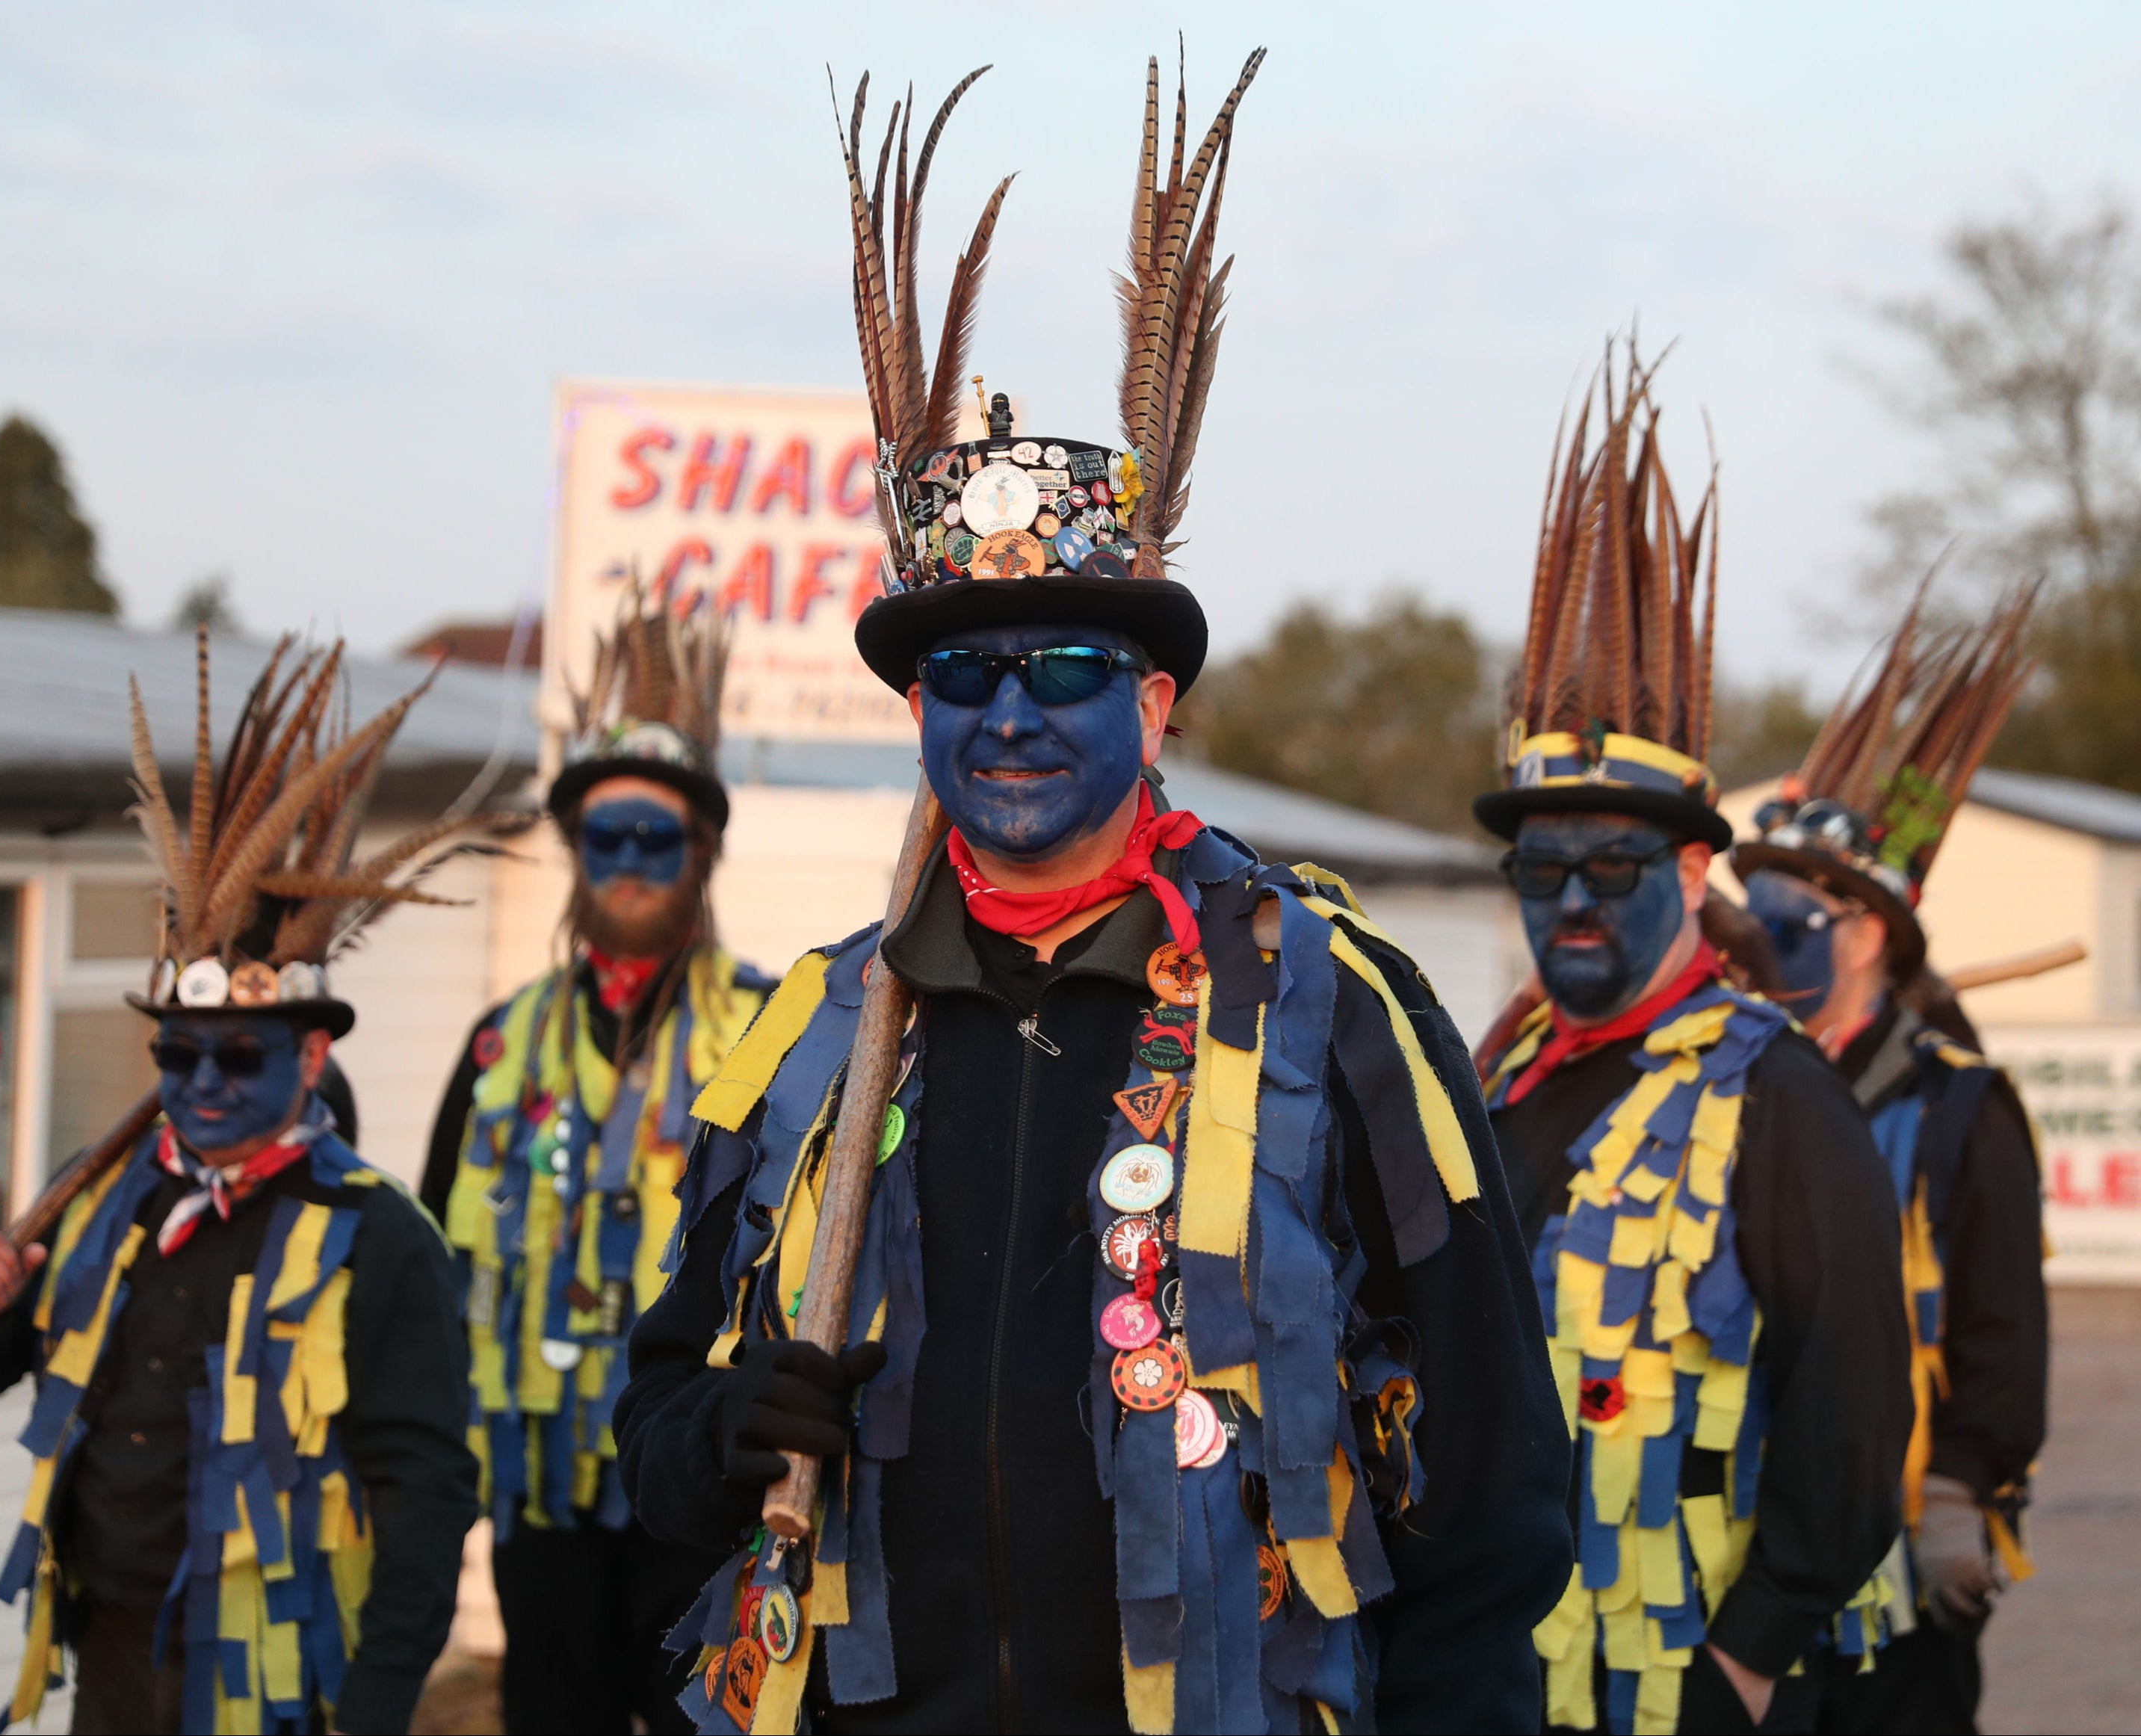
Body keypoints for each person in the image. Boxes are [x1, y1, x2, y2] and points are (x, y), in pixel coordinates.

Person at [614, 54, 1575, 1735]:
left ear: (1153, 704)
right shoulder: (814, 1034)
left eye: (1064, 666)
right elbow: (648, 1433)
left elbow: (1492, 1479)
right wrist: (727, 1429)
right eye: (962, 675)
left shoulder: (1333, 1001)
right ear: (917, 714)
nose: (1007, 714)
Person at [0, 634, 481, 1735]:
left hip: (283, 1685)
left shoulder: (380, 1236)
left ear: (310, 1059)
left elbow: (427, 1499)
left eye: (240, 1057)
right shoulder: (102, 1198)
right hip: (112, 1662)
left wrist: (374, 1711)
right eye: (178, 1056)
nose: (204, 1084)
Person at [1474, 355, 1914, 1736]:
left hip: (1700, 1685)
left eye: (1613, 867)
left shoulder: (1775, 1092)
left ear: (1687, 872)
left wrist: (1749, 1651)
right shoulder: (1491, 1075)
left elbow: (1852, 1398)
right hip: (1511, 1673)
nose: (1576, 901)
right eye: (1542, 873)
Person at [418, 584, 773, 1734]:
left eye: (654, 837)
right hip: (545, 1494)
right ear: (574, 853)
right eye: (602, 837)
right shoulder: (498, 1047)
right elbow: (437, 1254)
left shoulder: (776, 1034)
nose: (628, 861)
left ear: (703, 849)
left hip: (707, 1485)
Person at [1731, 578, 2048, 1735]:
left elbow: (2002, 1330)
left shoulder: (1961, 1108)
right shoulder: (1727, 1085)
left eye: (1785, 926)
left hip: (1903, 1562)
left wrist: (1962, 1490)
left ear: (1863, 932)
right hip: (1735, 1560)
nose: (1754, 948)